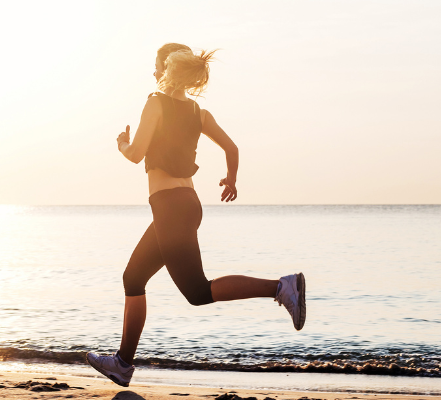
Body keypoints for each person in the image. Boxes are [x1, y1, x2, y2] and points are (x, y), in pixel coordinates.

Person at [86, 43, 306, 387]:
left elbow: (135, 155)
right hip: (184, 204)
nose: (153, 72)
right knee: (133, 278)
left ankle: (281, 287)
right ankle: (122, 363)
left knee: (197, 291)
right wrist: (230, 179)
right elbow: (231, 148)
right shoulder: (197, 113)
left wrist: (122, 144)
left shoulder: (154, 102)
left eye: (155, 66)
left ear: (166, 68)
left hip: (171, 207)